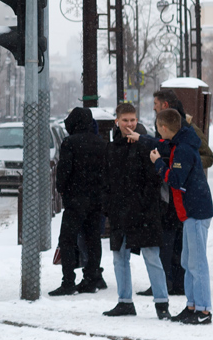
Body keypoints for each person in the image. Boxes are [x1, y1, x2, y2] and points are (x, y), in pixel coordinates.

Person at [101, 103, 170, 318]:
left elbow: (154, 178)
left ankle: (162, 303)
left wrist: (146, 203)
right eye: (125, 120)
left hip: (145, 210)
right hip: (120, 210)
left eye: (133, 120)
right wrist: (109, 206)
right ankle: (124, 301)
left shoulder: (146, 144)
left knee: (152, 256)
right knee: (119, 257)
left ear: (137, 119)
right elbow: (108, 181)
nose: (130, 124)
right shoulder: (112, 148)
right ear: (117, 121)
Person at [152, 108, 213, 324]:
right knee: (188, 262)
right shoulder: (181, 142)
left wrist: (158, 164)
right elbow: (161, 145)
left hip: (196, 211)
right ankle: (192, 305)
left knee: (197, 263)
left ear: (164, 128)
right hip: (190, 212)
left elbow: (175, 179)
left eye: (158, 127)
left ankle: (204, 311)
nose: (157, 132)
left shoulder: (183, 149)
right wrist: (141, 139)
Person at [50, 106, 108, 296]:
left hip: (75, 201)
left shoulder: (70, 142)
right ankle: (90, 279)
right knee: (93, 240)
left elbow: (63, 172)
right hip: (96, 200)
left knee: (67, 240)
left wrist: (63, 190)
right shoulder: (100, 142)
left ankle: (68, 282)